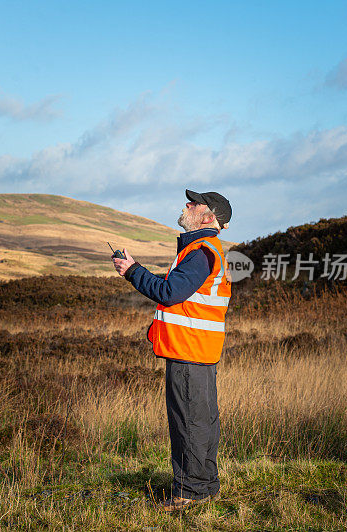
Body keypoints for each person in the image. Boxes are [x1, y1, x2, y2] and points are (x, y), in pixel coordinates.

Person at [112, 189, 232, 512]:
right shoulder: (206, 251)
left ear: (208, 217)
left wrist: (133, 271)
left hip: (188, 352)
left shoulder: (201, 252)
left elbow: (169, 292)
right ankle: (205, 486)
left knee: (187, 422)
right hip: (200, 352)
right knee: (203, 421)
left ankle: (189, 494)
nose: (187, 205)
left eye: (194, 203)